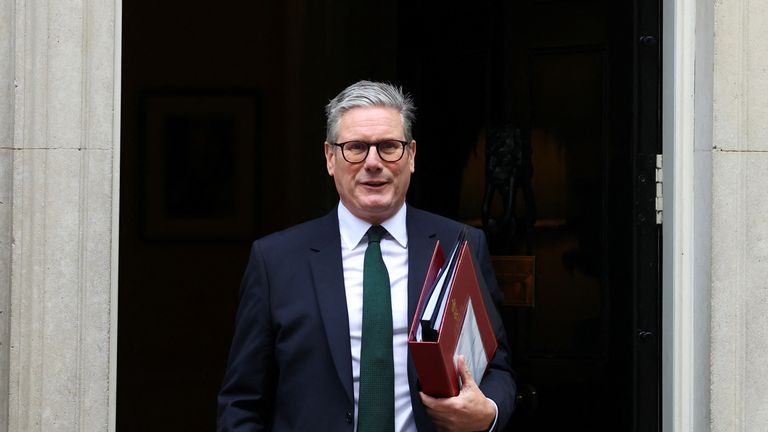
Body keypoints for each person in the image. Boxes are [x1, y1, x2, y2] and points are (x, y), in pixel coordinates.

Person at [217, 80, 516, 431]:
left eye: (389, 146)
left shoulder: (461, 244)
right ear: (330, 158)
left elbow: (498, 367)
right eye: (356, 147)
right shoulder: (275, 261)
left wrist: (488, 412)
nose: (373, 163)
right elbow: (242, 402)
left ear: (412, 155)